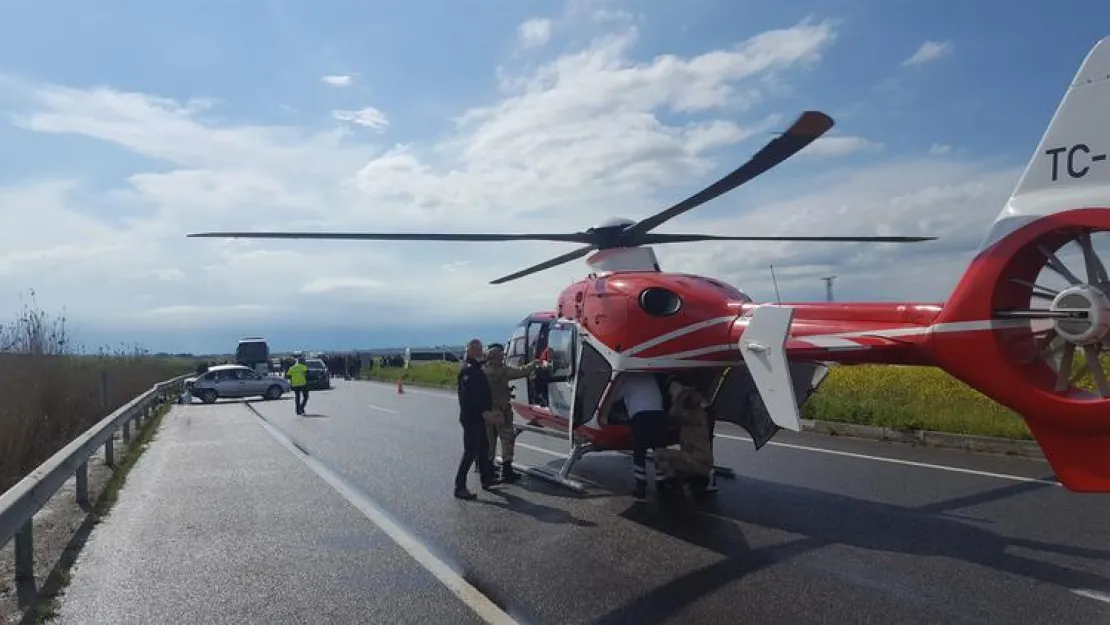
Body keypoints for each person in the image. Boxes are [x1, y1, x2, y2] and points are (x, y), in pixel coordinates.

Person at [482, 343, 539, 483]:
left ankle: (488, 471)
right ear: (495, 358)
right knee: (507, 440)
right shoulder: (503, 371)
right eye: (501, 356)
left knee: (489, 443)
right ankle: (507, 471)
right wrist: (534, 363)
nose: (502, 359)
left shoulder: (482, 372)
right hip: (502, 411)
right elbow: (522, 371)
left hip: (488, 412)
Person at [610, 372, 668, 501]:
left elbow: (613, 397)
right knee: (659, 450)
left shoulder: (625, 378)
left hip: (642, 417)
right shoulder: (649, 375)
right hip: (659, 414)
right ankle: (661, 482)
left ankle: (640, 485)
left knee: (639, 451)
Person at [455, 338, 500, 499]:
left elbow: (481, 365)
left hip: (478, 417)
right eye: (479, 349)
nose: (482, 352)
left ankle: (486, 479)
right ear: (471, 350)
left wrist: (490, 356)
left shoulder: (474, 367)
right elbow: (470, 397)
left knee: (483, 449)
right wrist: (484, 412)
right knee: (470, 452)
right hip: (472, 418)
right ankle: (459, 487)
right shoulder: (468, 370)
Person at [654, 379, 716, 495]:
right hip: (697, 461)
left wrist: (681, 396)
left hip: (697, 462)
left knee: (659, 454)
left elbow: (672, 415)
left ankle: (675, 482)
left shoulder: (693, 416)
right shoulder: (700, 415)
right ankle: (684, 481)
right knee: (674, 457)